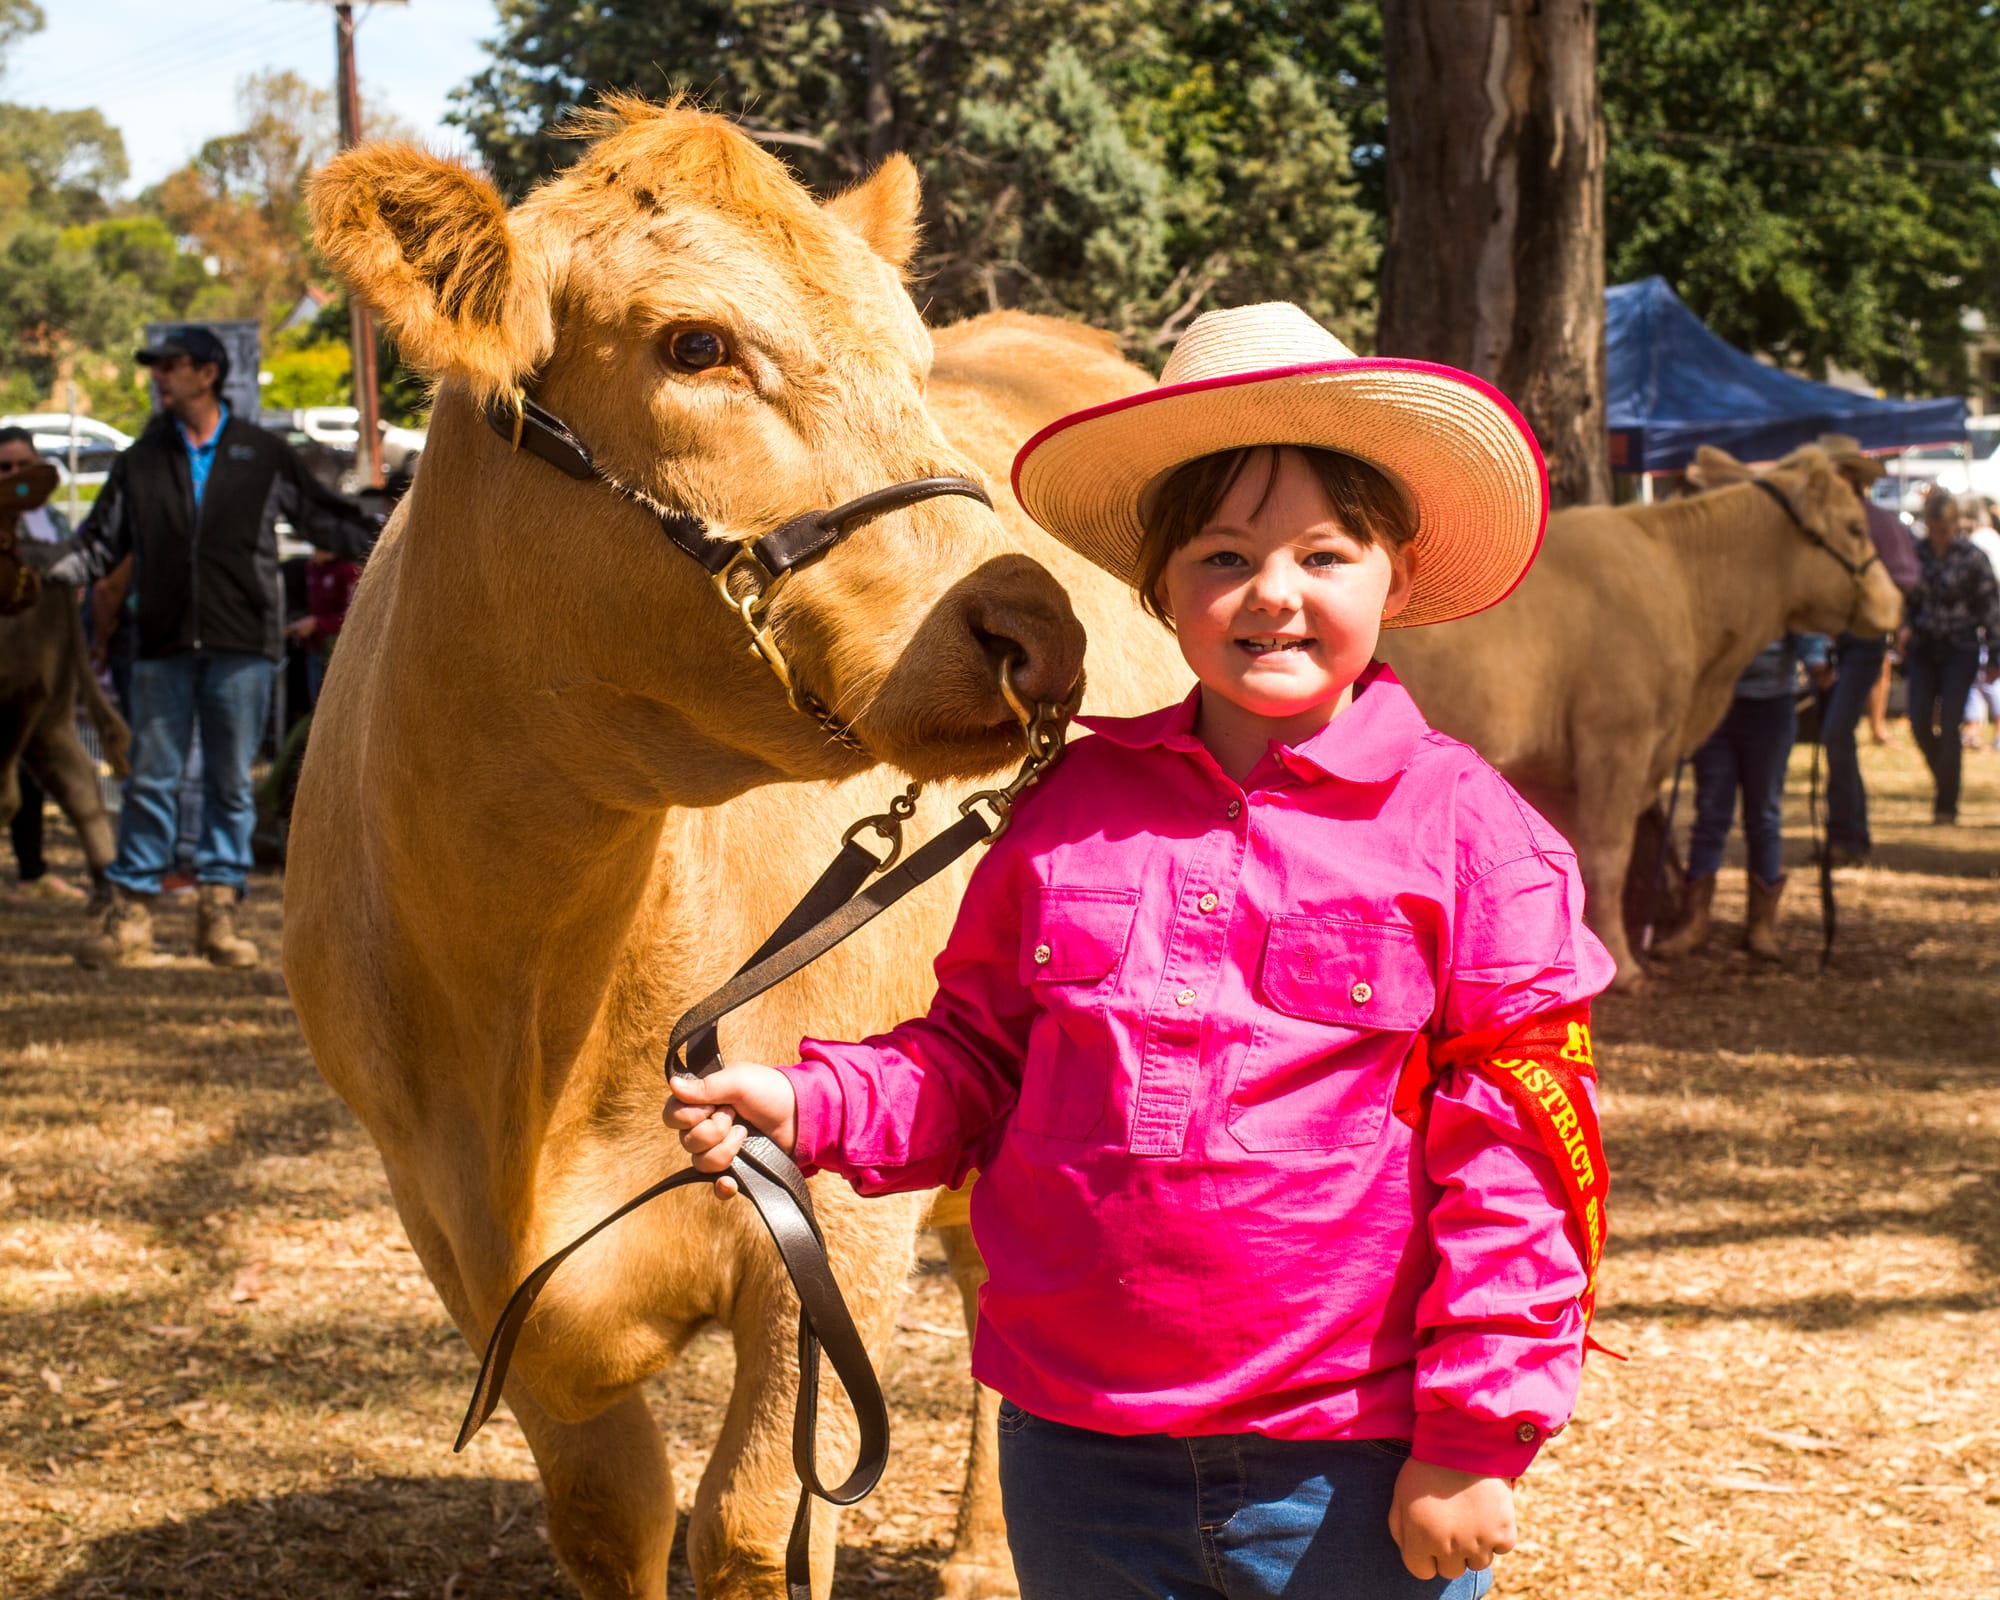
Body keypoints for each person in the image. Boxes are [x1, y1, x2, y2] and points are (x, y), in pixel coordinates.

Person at [665, 303, 1616, 1599]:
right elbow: (973, 1062)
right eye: (1224, 556)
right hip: (1076, 1461)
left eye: (1323, 554)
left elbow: (1521, 1167)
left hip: (1349, 1464)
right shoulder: (1067, 810)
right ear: (1160, 589)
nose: (1273, 593)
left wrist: (1474, 1438)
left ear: (1394, 574)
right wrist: (810, 1100)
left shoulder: (1477, 842)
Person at [34, 325, 376, 967]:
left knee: (230, 785)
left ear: (209, 373)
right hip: (159, 646)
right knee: (152, 781)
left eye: (173, 365)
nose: (160, 376)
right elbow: (97, 546)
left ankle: (218, 919)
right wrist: (38, 569)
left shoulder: (261, 452)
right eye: (157, 366)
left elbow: (322, 517)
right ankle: (129, 922)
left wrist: (392, 533)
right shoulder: (139, 459)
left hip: (243, 645)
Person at [1654, 633, 1825, 962]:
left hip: (1771, 706)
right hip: (1715, 702)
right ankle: (1695, 921)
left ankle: (1762, 925)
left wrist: (1817, 656)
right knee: (1710, 814)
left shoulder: (1781, 580)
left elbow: (1803, 617)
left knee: (1764, 815)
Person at [1812, 436, 1920, 866]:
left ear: (1851, 478)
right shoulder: (1820, 524)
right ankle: (1846, 833)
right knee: (1834, 736)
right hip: (1831, 641)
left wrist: (1872, 599)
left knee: (1837, 733)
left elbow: (1907, 578)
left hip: (1863, 641)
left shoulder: (1876, 522)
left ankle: (1849, 836)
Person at [0, 426, 87, 900]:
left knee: (34, 775)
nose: (15, 477)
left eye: (23, 467)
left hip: (43, 673)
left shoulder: (53, 523)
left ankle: (32, 869)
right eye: (4, 469)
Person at [1902, 487, 2000, 823]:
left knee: (1950, 721)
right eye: (1935, 527)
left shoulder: (1973, 557)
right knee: (1918, 721)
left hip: (1961, 648)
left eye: (1946, 528)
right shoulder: (1916, 554)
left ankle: (1946, 803)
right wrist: (1902, 627)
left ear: (1955, 524)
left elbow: (1991, 609)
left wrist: (1997, 655)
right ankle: (1944, 776)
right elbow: (1905, 600)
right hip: (1924, 647)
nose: (1940, 534)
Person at [289, 547, 362, 708]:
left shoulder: (347, 570)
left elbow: (353, 616)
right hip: (316, 648)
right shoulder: (311, 568)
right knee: (317, 704)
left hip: (339, 652)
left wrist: (318, 623)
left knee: (337, 705)